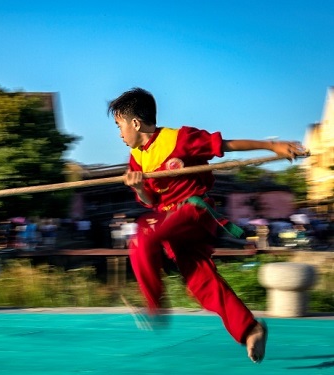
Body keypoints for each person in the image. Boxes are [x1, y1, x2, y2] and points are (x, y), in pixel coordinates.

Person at [107, 87, 308, 364]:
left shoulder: (181, 138)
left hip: (193, 212)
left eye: (119, 126)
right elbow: (151, 200)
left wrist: (272, 146)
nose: (119, 134)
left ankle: (154, 305)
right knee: (202, 284)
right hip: (171, 224)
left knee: (143, 233)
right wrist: (140, 188)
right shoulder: (137, 159)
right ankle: (251, 330)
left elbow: (226, 145)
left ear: (135, 123)